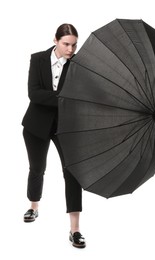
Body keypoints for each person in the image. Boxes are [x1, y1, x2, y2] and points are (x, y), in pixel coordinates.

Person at [22, 23, 86, 249]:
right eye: (66, 44)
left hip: (66, 126)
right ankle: (33, 206)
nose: (70, 49)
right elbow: (34, 93)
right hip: (36, 125)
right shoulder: (37, 59)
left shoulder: (79, 64)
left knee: (73, 172)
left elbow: (81, 97)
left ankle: (75, 229)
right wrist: (63, 97)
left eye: (74, 44)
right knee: (37, 168)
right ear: (55, 40)